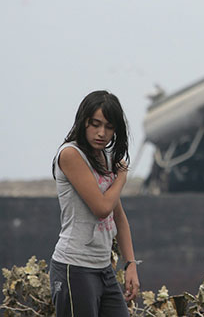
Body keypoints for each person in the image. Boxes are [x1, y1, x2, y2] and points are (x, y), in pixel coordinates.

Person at [49, 90, 140, 317]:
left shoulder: (107, 158)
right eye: (95, 124)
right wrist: (121, 177)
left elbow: (118, 217)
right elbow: (101, 208)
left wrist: (131, 264)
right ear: (83, 122)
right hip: (74, 268)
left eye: (109, 127)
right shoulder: (70, 154)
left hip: (103, 267)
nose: (102, 133)